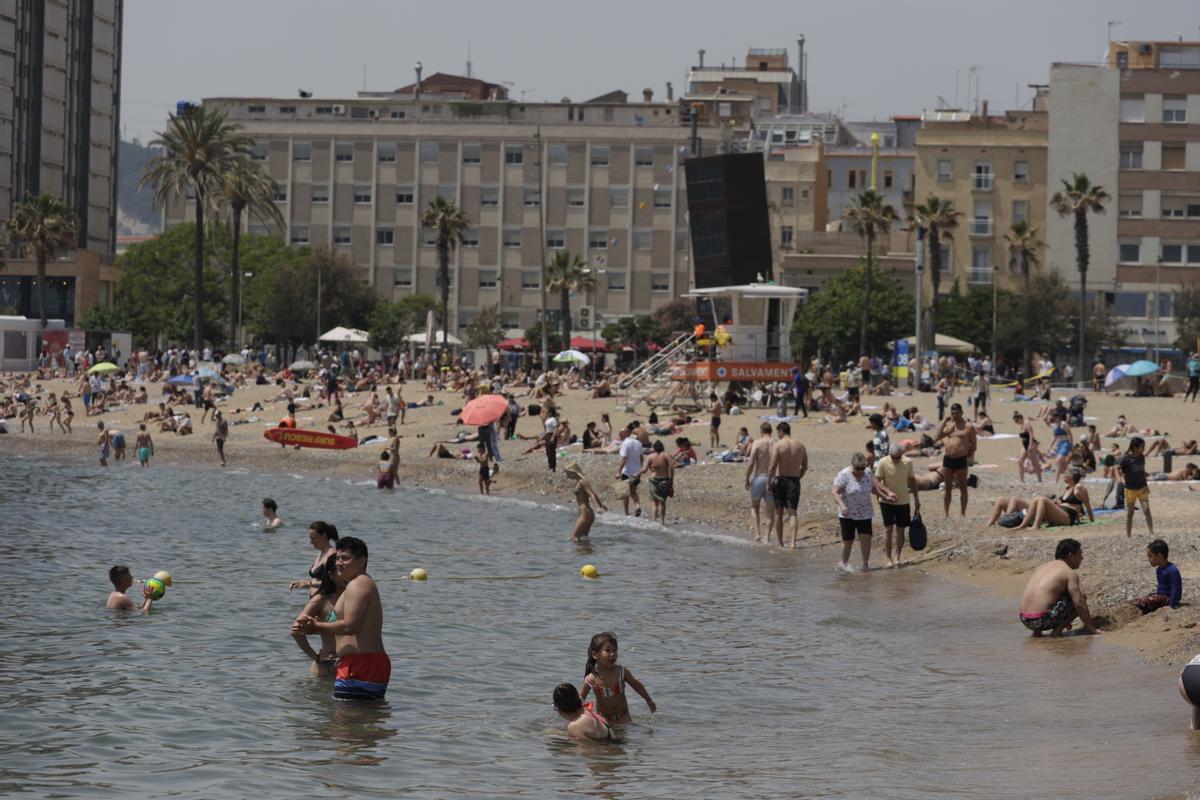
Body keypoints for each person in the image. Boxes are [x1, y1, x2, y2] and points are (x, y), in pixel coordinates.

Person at [292, 537, 389, 700]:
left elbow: (349, 626)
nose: (338, 563)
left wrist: (316, 627)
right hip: (362, 663)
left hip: (360, 665)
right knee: (363, 721)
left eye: (345, 558)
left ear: (361, 561)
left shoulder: (358, 584)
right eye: (337, 558)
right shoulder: (361, 583)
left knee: (344, 723)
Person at [1018, 538, 1101, 637]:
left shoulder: (1042, 567)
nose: (1082, 558)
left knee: (1061, 594)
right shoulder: (1068, 572)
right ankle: (1057, 631)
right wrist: (1091, 628)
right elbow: (1079, 603)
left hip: (1025, 619)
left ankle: (1037, 633)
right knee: (1080, 596)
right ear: (1071, 556)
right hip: (1041, 620)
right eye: (1080, 554)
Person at [833, 452, 897, 573]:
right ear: (853, 466)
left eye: (863, 468)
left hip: (865, 512)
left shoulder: (867, 472)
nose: (860, 471)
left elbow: (873, 488)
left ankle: (865, 565)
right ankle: (844, 563)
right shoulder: (844, 474)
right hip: (848, 514)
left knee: (866, 538)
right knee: (848, 541)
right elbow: (835, 492)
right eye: (858, 468)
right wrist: (842, 505)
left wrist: (884, 497)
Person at [578, 632, 656, 724]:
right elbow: (580, 699)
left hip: (623, 715)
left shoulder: (622, 672)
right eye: (607, 650)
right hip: (603, 717)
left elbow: (636, 685)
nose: (612, 654)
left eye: (614, 650)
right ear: (595, 655)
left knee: (624, 737)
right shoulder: (591, 678)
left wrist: (648, 700)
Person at [291, 554, 341, 677]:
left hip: (353, 665)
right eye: (340, 571)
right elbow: (295, 631)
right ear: (331, 574)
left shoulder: (357, 598)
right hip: (327, 666)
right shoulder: (321, 600)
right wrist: (315, 657)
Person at [875, 442, 921, 568]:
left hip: (903, 501)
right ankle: (889, 559)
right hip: (886, 501)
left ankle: (897, 557)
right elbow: (877, 481)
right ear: (889, 454)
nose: (895, 460)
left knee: (901, 530)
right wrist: (887, 493)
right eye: (893, 457)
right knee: (888, 529)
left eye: (897, 457)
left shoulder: (908, 462)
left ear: (902, 454)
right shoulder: (883, 462)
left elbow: (912, 480)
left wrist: (916, 498)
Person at [768, 421, 808, 548]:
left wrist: (769, 482)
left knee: (778, 513)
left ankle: (780, 543)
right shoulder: (800, 445)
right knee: (792, 513)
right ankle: (792, 543)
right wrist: (798, 477)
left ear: (781, 431)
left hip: (780, 480)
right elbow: (805, 466)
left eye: (778, 432)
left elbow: (772, 465)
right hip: (794, 480)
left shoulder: (778, 445)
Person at [1013, 468, 1093, 529]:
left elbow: (1087, 505)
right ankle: (1023, 525)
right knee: (1038, 498)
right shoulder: (1068, 487)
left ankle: (1035, 526)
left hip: (1067, 517)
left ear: (1071, 476)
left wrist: (1091, 521)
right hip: (1060, 513)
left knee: (1042, 499)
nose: (1063, 475)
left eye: (1065, 474)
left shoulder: (1079, 487)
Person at [933, 403, 976, 517]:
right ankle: (946, 512)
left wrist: (968, 457)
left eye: (957, 413)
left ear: (961, 413)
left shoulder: (968, 427)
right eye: (953, 413)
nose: (955, 415)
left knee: (963, 487)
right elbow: (937, 437)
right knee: (947, 487)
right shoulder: (950, 425)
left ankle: (963, 512)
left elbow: (974, 445)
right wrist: (943, 421)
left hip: (961, 459)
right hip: (948, 459)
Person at [553, 683, 620, 742]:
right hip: (615, 747)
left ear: (559, 709)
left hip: (609, 753)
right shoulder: (589, 712)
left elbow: (588, 752)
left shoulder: (574, 726)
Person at [1131, 539, 1182, 614]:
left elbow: (1176, 589)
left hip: (1168, 599)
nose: (1149, 560)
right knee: (1142, 598)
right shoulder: (1159, 570)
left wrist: (1172, 605)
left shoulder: (1172, 570)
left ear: (1159, 556)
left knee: (1144, 601)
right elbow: (1161, 589)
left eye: (1150, 556)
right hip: (1161, 596)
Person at [745, 422, 775, 543]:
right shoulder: (775, 443)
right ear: (771, 431)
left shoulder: (757, 443)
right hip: (771, 478)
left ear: (761, 431)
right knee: (770, 511)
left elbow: (751, 462)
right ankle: (767, 537)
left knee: (754, 506)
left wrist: (746, 478)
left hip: (759, 477)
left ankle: (757, 534)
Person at [289, 521, 340, 593]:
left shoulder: (332, 555)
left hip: (327, 600)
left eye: (313, 538)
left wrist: (307, 583)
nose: (311, 542)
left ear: (324, 536)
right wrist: (301, 582)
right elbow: (319, 580)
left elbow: (334, 583)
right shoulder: (321, 552)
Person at [1119, 437, 1153, 538]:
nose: (1144, 448)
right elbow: (1119, 469)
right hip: (1130, 490)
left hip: (1142, 489)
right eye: (1142, 446)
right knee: (1130, 513)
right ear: (1135, 447)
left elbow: (1142, 472)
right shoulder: (1126, 458)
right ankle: (1128, 535)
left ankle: (1151, 532)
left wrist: (1146, 485)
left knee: (1146, 510)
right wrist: (1121, 477)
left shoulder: (1142, 457)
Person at [564, 462, 606, 540]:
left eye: (568, 473)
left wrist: (597, 507)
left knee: (574, 537)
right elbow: (593, 493)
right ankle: (586, 551)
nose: (567, 476)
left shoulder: (582, 481)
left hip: (585, 514)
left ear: (573, 472)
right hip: (585, 513)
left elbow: (591, 495)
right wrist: (600, 504)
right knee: (583, 539)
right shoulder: (578, 482)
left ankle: (581, 551)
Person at [638, 440, 674, 526]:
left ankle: (654, 521)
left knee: (654, 502)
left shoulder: (650, 456)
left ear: (654, 448)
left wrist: (637, 473)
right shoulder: (666, 455)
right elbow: (672, 468)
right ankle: (662, 522)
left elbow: (644, 470)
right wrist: (671, 480)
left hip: (654, 480)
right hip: (665, 480)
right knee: (662, 502)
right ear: (662, 447)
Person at [616, 427, 643, 517]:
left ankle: (626, 513)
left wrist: (618, 471)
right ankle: (637, 506)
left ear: (624, 434)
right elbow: (641, 457)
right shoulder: (638, 443)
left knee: (625, 492)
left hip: (627, 472)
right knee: (633, 491)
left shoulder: (625, 443)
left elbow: (624, 458)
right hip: (636, 471)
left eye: (620, 433)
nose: (619, 435)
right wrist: (640, 468)